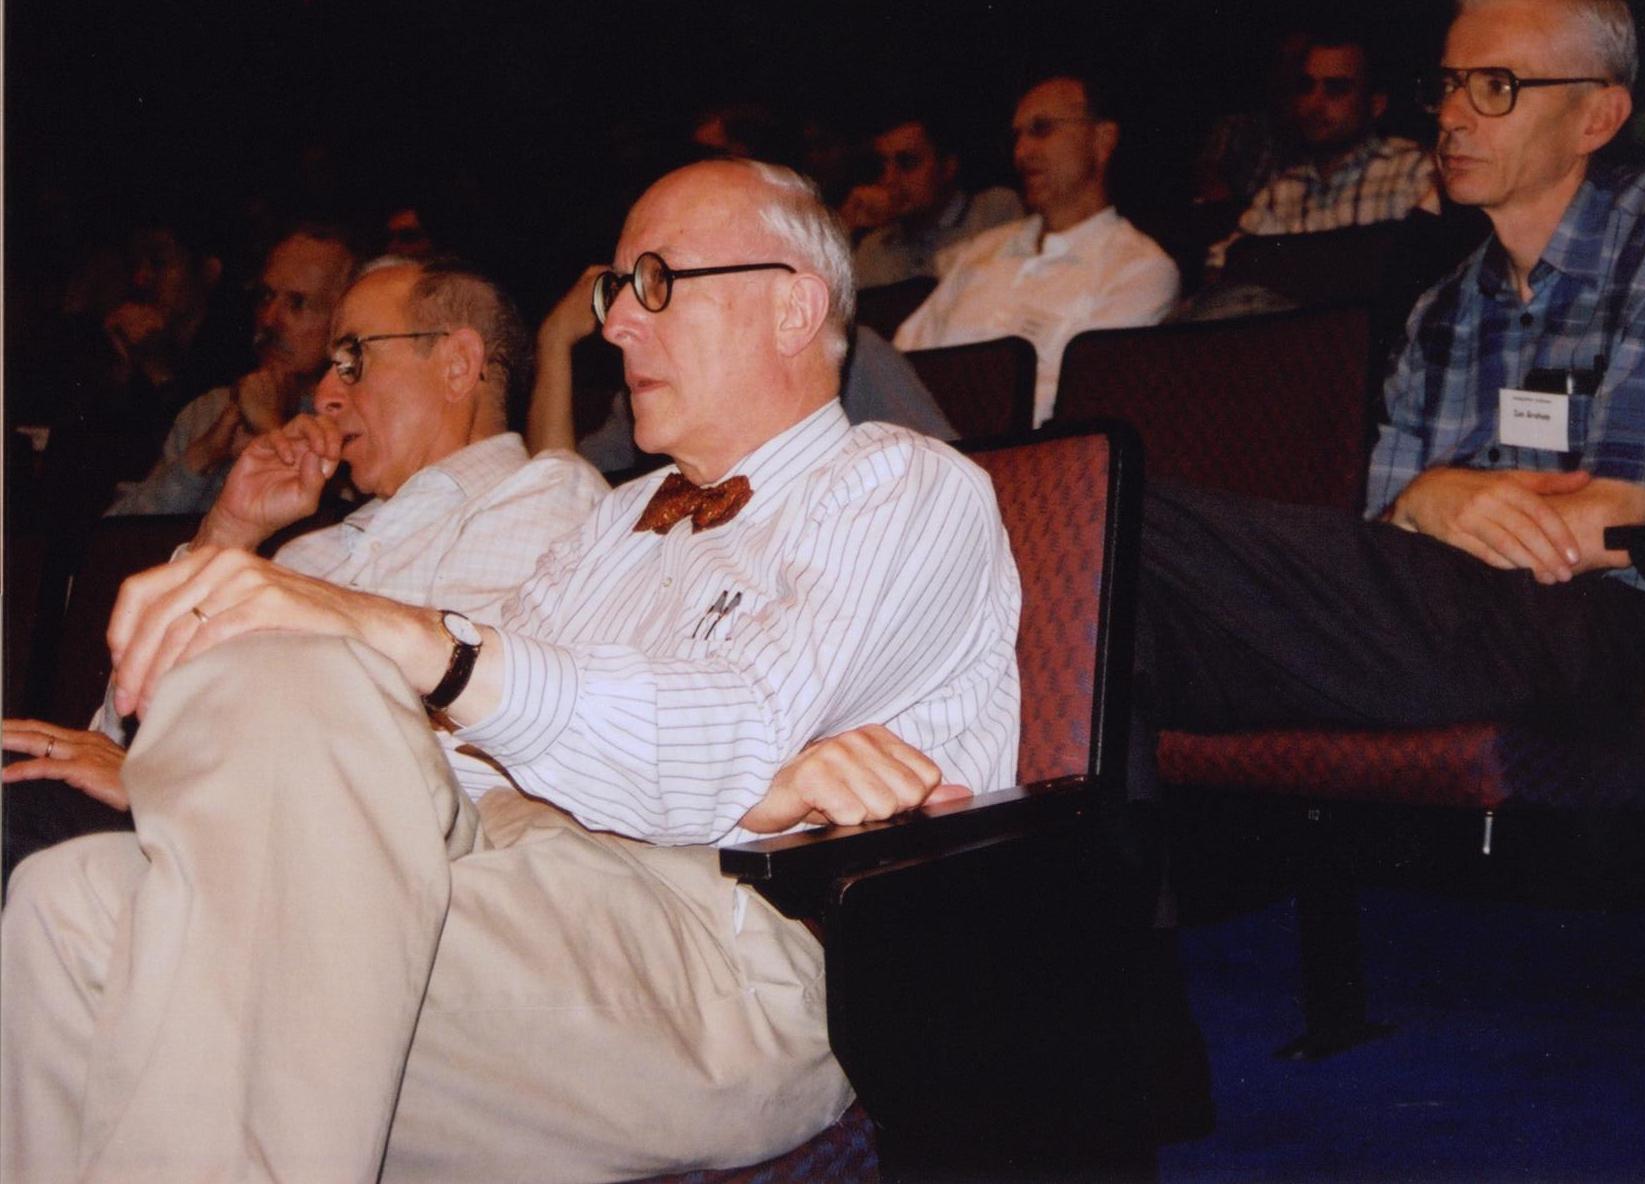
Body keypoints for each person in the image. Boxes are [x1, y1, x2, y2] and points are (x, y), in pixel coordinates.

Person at [2, 159, 1021, 1182]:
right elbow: (467, 764)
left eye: (655, 283)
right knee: (69, 902)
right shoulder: (617, 519)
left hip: (724, 956)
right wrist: (207, 773)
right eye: (614, 292)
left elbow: (729, 736)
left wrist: (407, 640)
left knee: (318, 686)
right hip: (513, 878)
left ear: (793, 307)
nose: (618, 325)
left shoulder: (901, 485)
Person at [1139, 0, 1645, 736]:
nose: (1451, 117)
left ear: (1596, 118)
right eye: (1447, 85)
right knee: (1122, 633)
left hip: (1613, 621)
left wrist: (1432, 505)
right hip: (1444, 618)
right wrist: (1427, 499)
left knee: (1126, 520)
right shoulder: (1443, 310)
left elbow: (1612, 522)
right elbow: (1391, 530)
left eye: (1496, 85)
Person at [3, 257, 610, 831]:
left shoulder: (540, 498)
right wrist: (230, 530)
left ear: (457, 365)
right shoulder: (308, 552)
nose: (324, 395)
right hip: (192, 834)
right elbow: (121, 726)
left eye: (353, 360)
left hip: (328, 864)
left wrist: (168, 787)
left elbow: (456, 765)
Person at [894, 75, 1180, 427]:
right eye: (1017, 136)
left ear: (1102, 140)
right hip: (914, 440)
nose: (1021, 153)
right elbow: (902, 361)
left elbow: (1073, 408)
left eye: (1042, 129)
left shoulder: (1138, 268)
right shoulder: (982, 249)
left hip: (1017, 452)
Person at [526, 262, 956, 471]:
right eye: (623, 287)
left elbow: (950, 476)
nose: (619, 320)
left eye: (659, 279)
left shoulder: (854, 356)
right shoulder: (652, 391)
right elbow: (556, 497)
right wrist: (553, 344)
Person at [106, 225, 358, 516]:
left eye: (297, 303)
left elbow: (344, 530)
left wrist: (270, 429)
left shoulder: (357, 417)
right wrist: (201, 457)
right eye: (266, 297)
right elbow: (117, 532)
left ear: (344, 319)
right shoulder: (211, 411)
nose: (269, 319)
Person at [1202, 23, 1440, 277]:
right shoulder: (1281, 192)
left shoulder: (1413, 171)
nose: (1315, 103)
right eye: (1306, 86)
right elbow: (1220, 267)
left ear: (1375, 104)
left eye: (1336, 89)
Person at [849, 115, 1024, 289]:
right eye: (882, 167)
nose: (889, 179)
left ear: (947, 167)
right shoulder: (874, 246)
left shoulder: (993, 210)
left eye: (907, 163)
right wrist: (848, 226)